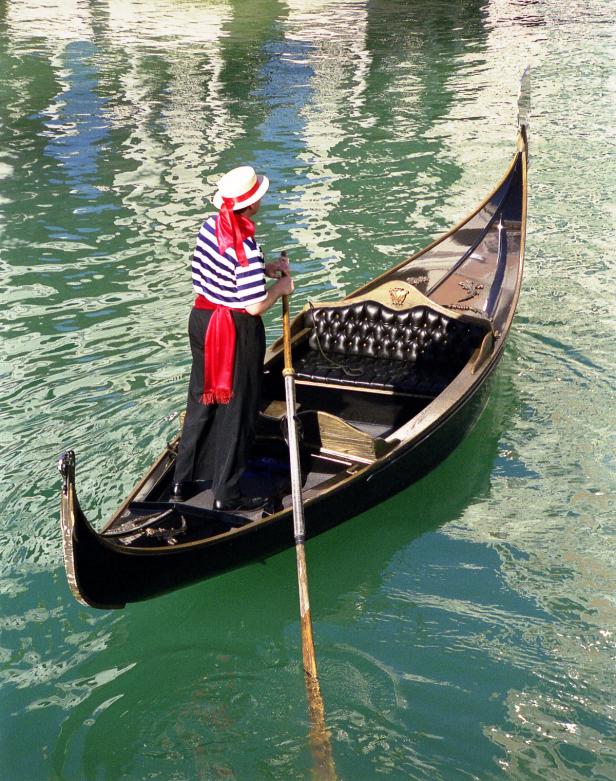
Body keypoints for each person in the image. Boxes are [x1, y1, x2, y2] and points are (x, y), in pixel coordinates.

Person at [171, 165, 294, 511]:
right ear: (252, 204)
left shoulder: (210, 227)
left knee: (202, 401)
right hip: (234, 332)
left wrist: (263, 270)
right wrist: (279, 287)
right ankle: (227, 493)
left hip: (202, 321)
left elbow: (222, 274)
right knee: (238, 410)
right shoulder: (246, 248)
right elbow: (254, 306)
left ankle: (181, 482)